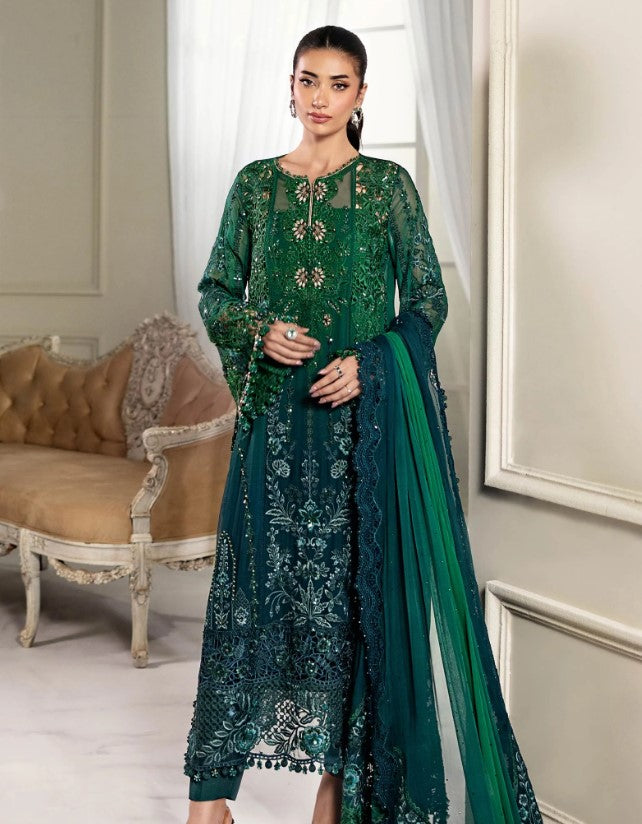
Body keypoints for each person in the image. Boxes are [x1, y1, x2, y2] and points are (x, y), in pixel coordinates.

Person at [184, 25, 543, 824]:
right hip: (273, 434)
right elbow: (215, 291)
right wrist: (256, 330)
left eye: (337, 83)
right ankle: (209, 801)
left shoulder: (386, 188)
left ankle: (336, 795)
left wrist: (372, 363)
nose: (320, 98)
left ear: (361, 94)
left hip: (359, 443)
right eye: (307, 80)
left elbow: (428, 300)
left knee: (354, 613)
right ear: (291, 87)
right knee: (245, 603)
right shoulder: (254, 187)